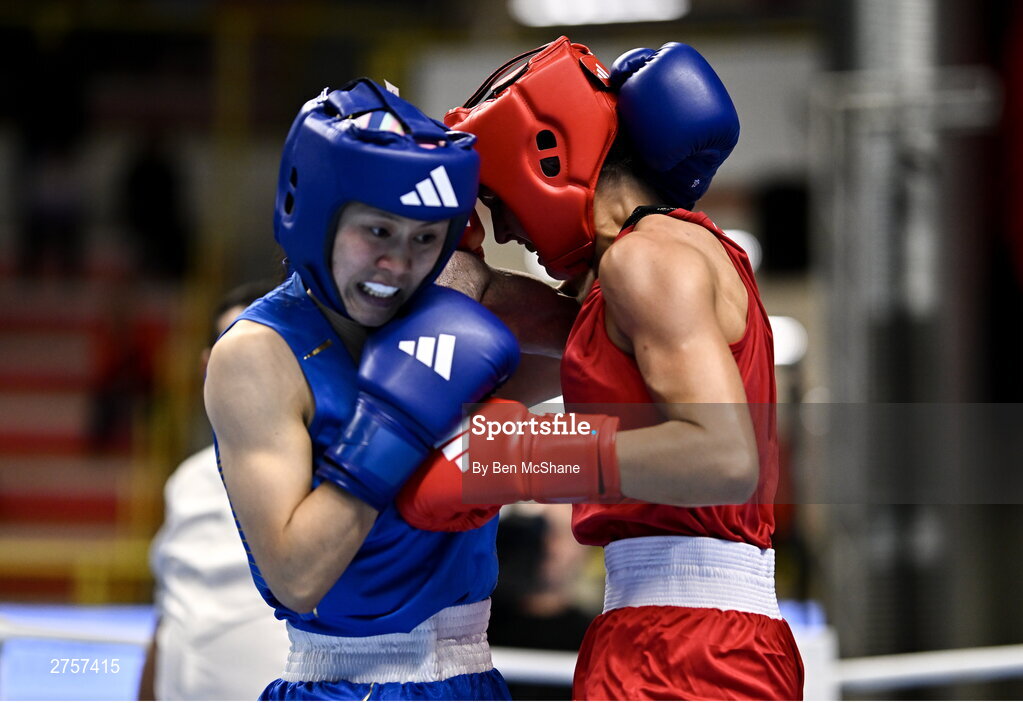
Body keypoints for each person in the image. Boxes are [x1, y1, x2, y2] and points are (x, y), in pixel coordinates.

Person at [401, 37, 804, 700]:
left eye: (498, 199)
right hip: (658, 630)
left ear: (545, 158)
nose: (502, 230)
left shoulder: (645, 259)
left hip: (691, 646)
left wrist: (526, 457)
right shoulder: (625, 275)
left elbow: (724, 454)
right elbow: (499, 323)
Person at [203, 79, 521, 701]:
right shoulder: (257, 356)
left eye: (424, 237)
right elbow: (297, 576)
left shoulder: (460, 305)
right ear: (319, 214)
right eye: (377, 232)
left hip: (474, 679)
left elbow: (618, 381)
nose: (398, 264)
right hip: (349, 683)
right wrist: (396, 424)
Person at [139, 280, 290, 701]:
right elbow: (171, 608)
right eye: (232, 349)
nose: (248, 368)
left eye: (267, 350)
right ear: (208, 364)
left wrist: (492, 382)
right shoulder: (186, 479)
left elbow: (487, 481)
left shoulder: (348, 464)